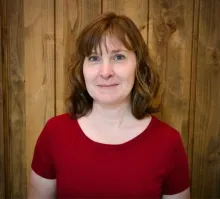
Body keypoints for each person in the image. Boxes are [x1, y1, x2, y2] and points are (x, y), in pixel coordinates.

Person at [28, 12, 190, 199]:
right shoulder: (55, 133)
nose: (105, 72)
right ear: (82, 69)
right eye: (94, 58)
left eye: (118, 57)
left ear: (139, 66)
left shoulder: (168, 142)